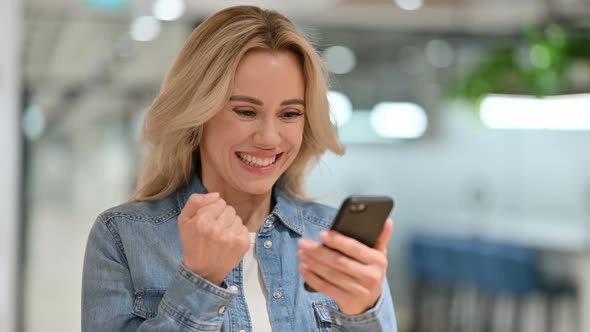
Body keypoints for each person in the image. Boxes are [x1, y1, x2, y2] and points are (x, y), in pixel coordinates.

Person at [82, 5, 397, 331]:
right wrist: (200, 281)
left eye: (289, 114)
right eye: (246, 111)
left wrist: (363, 313)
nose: (269, 138)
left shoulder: (331, 238)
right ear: (197, 113)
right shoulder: (124, 236)